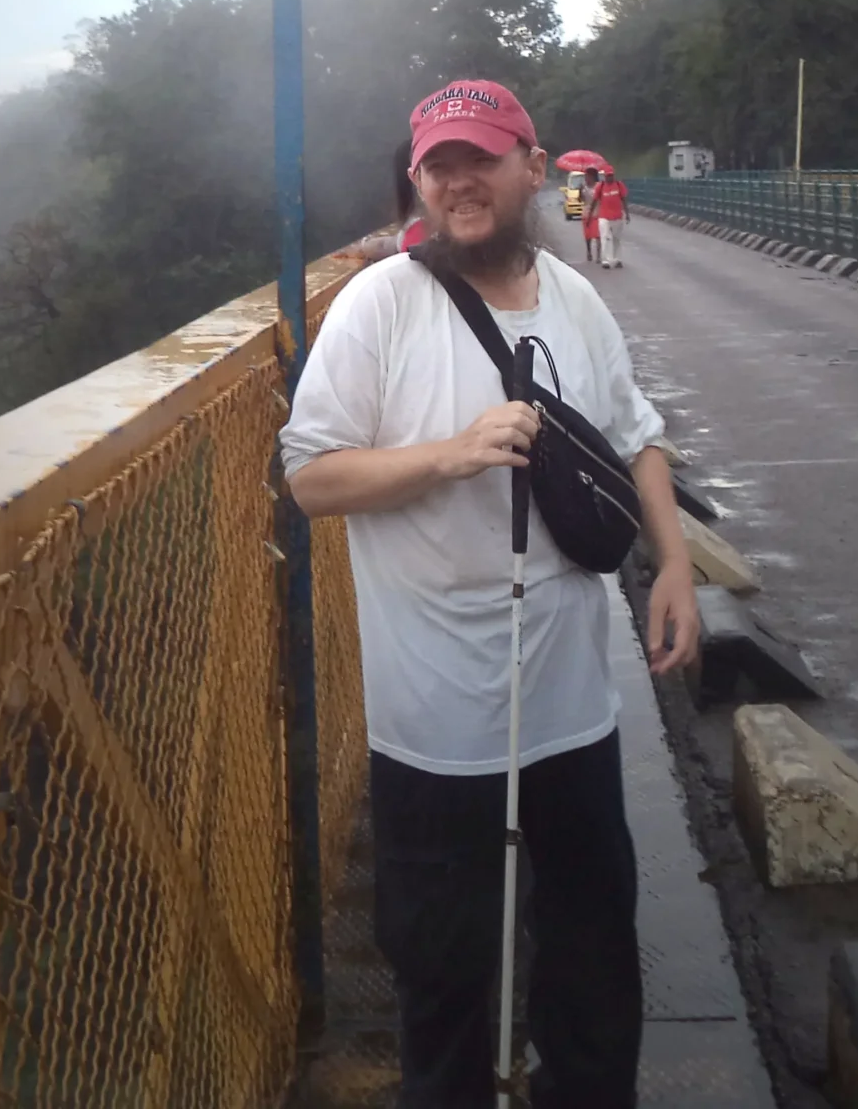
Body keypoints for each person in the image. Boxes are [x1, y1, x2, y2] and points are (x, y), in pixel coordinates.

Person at [281, 78, 702, 1108]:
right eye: (437, 165)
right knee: (440, 960)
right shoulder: (382, 301)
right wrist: (451, 454)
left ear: (530, 164)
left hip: (569, 700)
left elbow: (635, 431)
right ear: (416, 181)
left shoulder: (575, 297)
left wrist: (676, 564)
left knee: (593, 943)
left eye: (479, 157)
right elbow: (310, 476)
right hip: (433, 713)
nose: (459, 182)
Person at [593, 168, 630, 269]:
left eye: (611, 175)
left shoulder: (619, 185)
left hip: (617, 216)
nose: (610, 178)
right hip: (604, 217)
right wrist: (590, 215)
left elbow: (624, 199)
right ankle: (606, 260)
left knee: (616, 238)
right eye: (608, 176)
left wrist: (627, 214)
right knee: (605, 238)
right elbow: (595, 200)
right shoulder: (600, 186)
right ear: (605, 176)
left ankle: (617, 259)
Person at [579, 169, 603, 265]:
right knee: (587, 235)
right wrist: (580, 191)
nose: (586, 178)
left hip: (597, 212)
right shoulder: (583, 187)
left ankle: (599, 255)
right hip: (586, 212)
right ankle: (589, 252)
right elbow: (581, 199)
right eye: (585, 176)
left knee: (598, 235)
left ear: (593, 177)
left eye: (588, 176)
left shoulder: (599, 186)